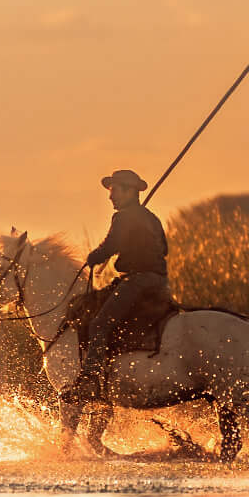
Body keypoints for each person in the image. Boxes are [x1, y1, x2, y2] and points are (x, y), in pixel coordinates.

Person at [65, 169, 170, 402]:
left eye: (114, 191)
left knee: (99, 323)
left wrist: (93, 257)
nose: (110, 197)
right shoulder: (151, 217)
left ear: (130, 191)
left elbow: (110, 245)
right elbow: (164, 249)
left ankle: (90, 379)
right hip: (160, 282)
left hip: (138, 281)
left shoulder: (124, 217)